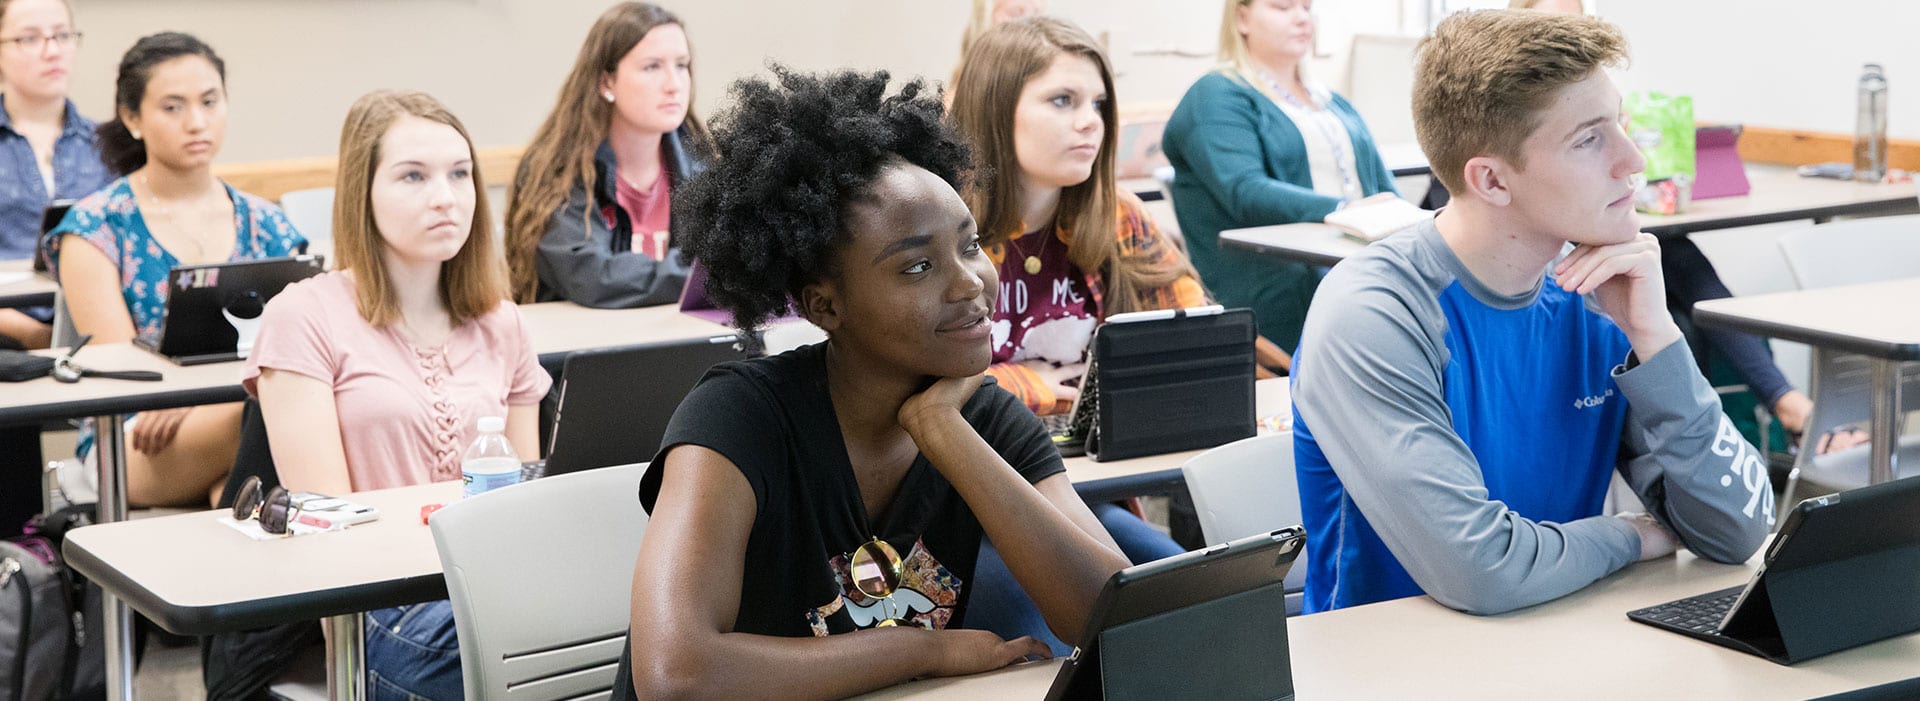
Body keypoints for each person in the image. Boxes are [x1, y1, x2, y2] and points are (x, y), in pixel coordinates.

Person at [613, 66, 1129, 699]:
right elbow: (677, 675)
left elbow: (1114, 619)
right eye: (917, 266)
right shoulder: (738, 420)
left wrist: (945, 432)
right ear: (825, 307)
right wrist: (924, 650)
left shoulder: (982, 419)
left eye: (969, 246)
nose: (969, 282)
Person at [1289, 10, 1771, 616]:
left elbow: (1737, 530)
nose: (1633, 161)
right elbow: (1481, 571)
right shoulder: (1376, 313)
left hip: (1557, 628)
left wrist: (1656, 337)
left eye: (1618, 125)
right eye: (1589, 139)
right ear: (1491, 180)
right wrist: (1629, 535)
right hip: (1395, 661)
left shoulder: (1597, 297)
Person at [246, 90, 549, 699]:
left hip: (494, 591)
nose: (446, 196)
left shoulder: (503, 322)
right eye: (413, 176)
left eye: (460, 174)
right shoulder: (304, 317)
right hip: (380, 611)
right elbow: (326, 537)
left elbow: (528, 505)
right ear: (364, 193)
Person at [949, 15, 1214, 654]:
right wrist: (1026, 386)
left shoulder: (1116, 216)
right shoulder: (940, 222)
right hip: (959, 515)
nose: (1089, 121)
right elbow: (904, 386)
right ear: (994, 110)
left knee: (1202, 600)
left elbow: (1195, 339)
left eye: (1097, 103)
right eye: (1061, 101)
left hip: (1085, 494)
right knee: (1062, 643)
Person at [1514, 0, 1828, 452]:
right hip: (1557, 253)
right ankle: (1783, 404)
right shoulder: (1511, 120)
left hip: (1603, 234)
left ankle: (1781, 406)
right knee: (1675, 277)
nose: (1571, 40)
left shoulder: (1594, 97)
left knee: (1677, 260)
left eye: (1578, 25)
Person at [45, 32, 304, 508]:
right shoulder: (95, 226)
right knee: (274, 407)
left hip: (240, 408)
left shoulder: (265, 221)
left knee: (269, 427)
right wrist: (189, 397)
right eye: (173, 107)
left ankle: (227, 506)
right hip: (136, 433)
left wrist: (202, 397)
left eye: (210, 101)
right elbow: (120, 368)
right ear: (132, 117)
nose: (197, 122)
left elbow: (307, 339)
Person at [1161, 0, 1400, 355]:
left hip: (1356, 268)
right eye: (1283, 7)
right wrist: (1347, 210)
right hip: (1280, 286)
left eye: (1307, 7)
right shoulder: (1216, 95)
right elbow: (1246, 191)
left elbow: (1382, 188)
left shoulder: (1331, 101)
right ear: (1242, 18)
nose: (1302, 18)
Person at [503, 1, 711, 308]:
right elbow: (593, 277)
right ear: (606, 81)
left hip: (678, 341)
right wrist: (706, 278)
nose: (674, 84)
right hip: (583, 347)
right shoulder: (556, 172)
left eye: (681, 65)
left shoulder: (701, 166)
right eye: (652, 67)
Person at [0, 0, 104, 351]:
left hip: (96, 326)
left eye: (62, 35)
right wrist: (37, 336)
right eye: (29, 39)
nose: (52, 51)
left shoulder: (109, 145)